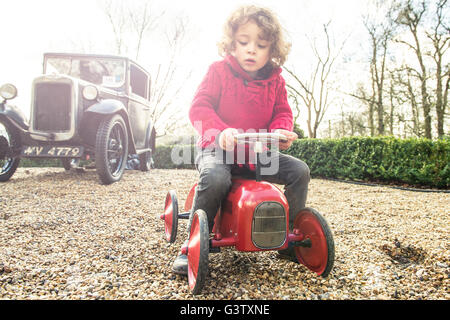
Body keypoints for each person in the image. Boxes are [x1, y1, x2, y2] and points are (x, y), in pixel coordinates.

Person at [172, 5, 310, 275]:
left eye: (260, 45)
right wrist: (221, 131)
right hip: (218, 149)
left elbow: (282, 112)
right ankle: (191, 245)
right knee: (216, 178)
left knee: (299, 171)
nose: (251, 50)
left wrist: (281, 131)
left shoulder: (276, 82)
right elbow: (199, 107)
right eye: (244, 42)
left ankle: (289, 237)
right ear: (231, 45)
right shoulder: (218, 71)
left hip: (257, 153)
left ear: (272, 51)